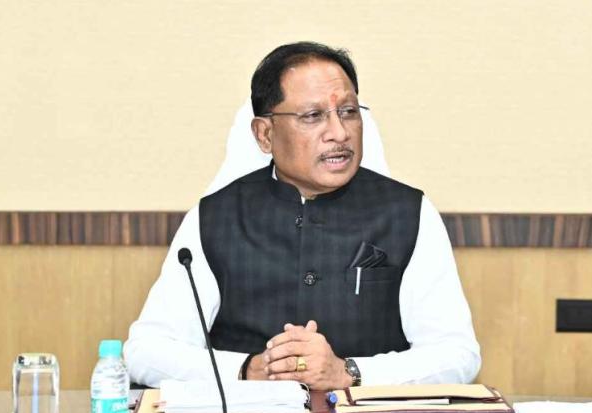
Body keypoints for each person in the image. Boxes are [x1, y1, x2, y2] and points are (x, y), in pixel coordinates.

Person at [125, 42, 480, 391]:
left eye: (348, 111)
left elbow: (457, 354)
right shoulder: (215, 217)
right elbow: (146, 351)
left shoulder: (408, 213)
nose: (339, 133)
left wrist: (350, 372)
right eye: (313, 116)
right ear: (265, 134)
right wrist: (248, 370)